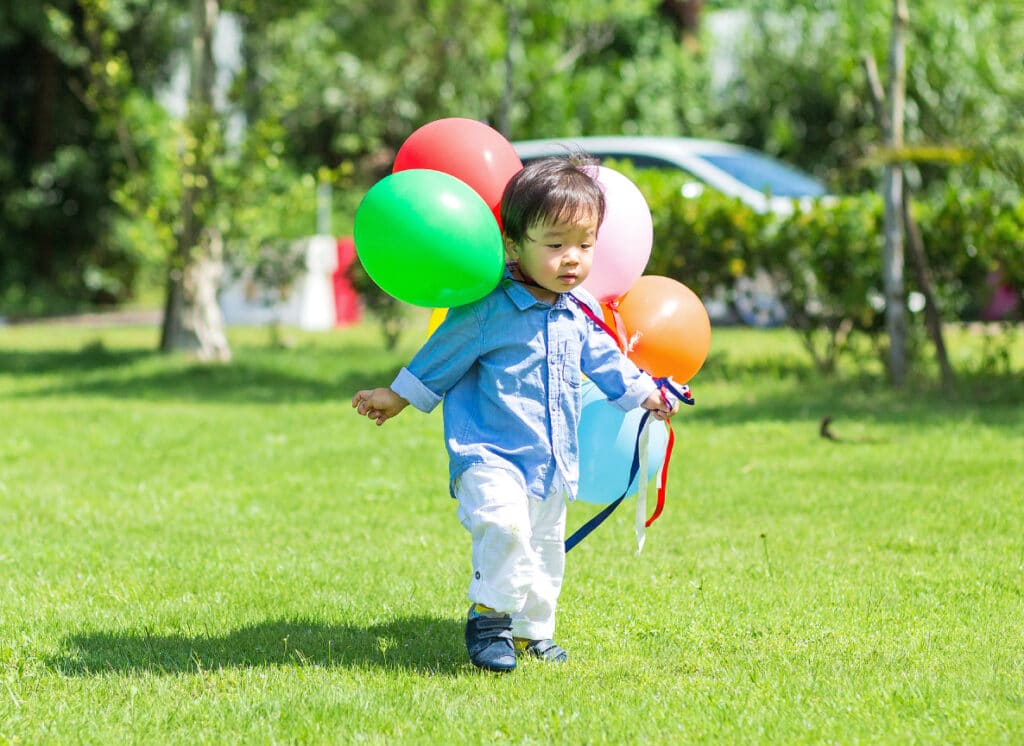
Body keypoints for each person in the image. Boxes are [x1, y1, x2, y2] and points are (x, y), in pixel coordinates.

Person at [352, 154, 678, 673]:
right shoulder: (487, 307)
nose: (572, 258)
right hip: (489, 455)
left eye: (585, 244)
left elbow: (609, 364)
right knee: (504, 528)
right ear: (513, 245)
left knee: (547, 552)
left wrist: (647, 395)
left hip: (551, 462)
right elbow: (443, 353)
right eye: (555, 245)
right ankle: (489, 620)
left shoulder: (577, 312)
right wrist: (399, 396)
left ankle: (533, 633)